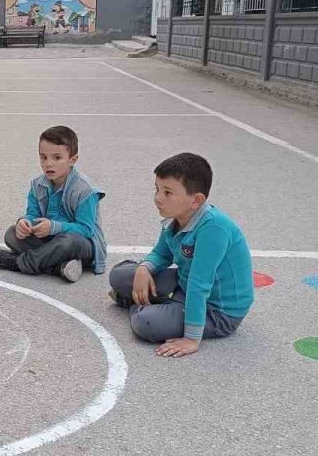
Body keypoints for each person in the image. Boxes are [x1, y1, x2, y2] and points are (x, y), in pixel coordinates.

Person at [108, 152, 254, 358]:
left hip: (217, 311)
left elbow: (199, 284)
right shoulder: (175, 217)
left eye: (168, 192)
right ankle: (158, 303)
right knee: (119, 276)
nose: (158, 198)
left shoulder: (214, 229)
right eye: (157, 189)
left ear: (196, 200)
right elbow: (161, 253)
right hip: (184, 285)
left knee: (145, 323)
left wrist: (192, 339)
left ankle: (143, 305)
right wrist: (144, 268)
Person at [0, 125, 106, 282]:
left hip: (81, 245)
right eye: (43, 157)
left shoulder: (85, 190)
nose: (49, 164)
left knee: (68, 242)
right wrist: (25, 222)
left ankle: (18, 263)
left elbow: (86, 230)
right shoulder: (37, 185)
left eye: (57, 158)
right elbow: (32, 214)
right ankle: (58, 267)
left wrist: (54, 227)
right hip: (49, 240)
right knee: (12, 233)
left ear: (73, 159)